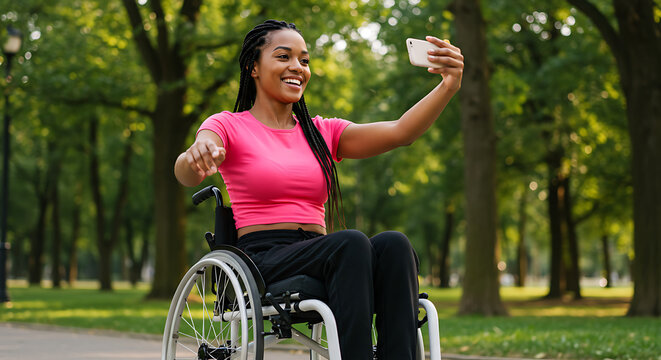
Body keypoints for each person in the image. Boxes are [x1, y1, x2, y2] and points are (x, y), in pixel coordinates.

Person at [174, 20, 463, 360]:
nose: (297, 67)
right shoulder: (228, 125)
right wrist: (196, 156)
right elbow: (188, 168)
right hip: (263, 258)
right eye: (283, 57)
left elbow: (401, 132)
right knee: (351, 242)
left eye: (304, 60)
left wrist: (448, 85)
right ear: (254, 66)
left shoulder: (321, 132)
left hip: (323, 251)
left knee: (395, 245)